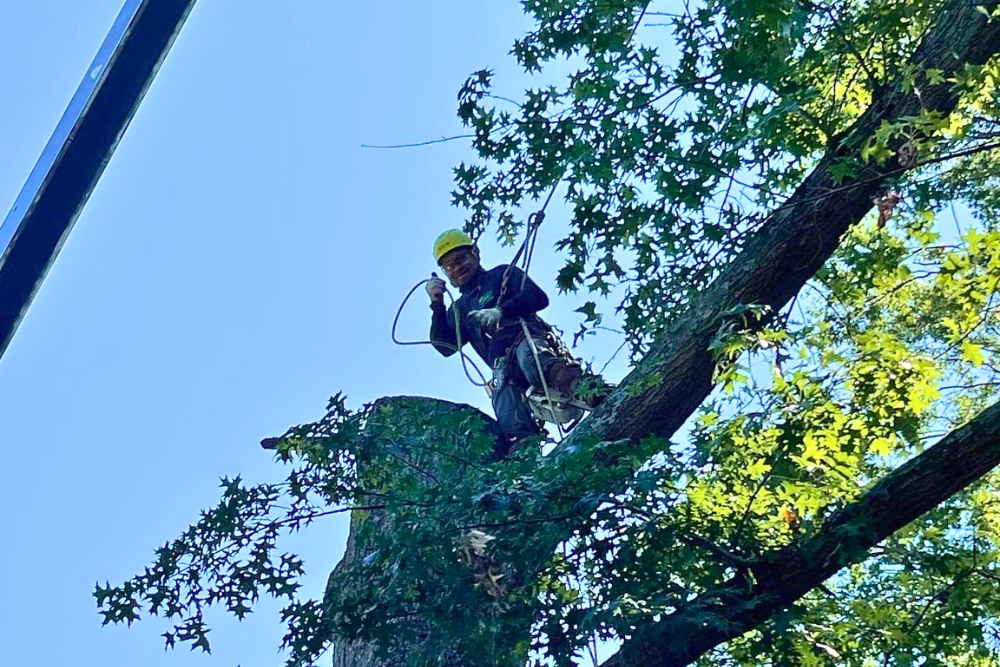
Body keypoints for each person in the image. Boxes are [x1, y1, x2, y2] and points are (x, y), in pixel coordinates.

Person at [426, 229, 585, 457]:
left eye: (460, 259)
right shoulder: (458, 310)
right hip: (503, 369)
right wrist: (437, 304)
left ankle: (585, 389)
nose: (456, 268)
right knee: (505, 405)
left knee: (532, 360)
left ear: (475, 254)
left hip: (525, 342)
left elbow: (538, 297)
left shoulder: (502, 275)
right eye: (449, 266)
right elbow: (444, 346)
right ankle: (525, 461)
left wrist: (501, 311)